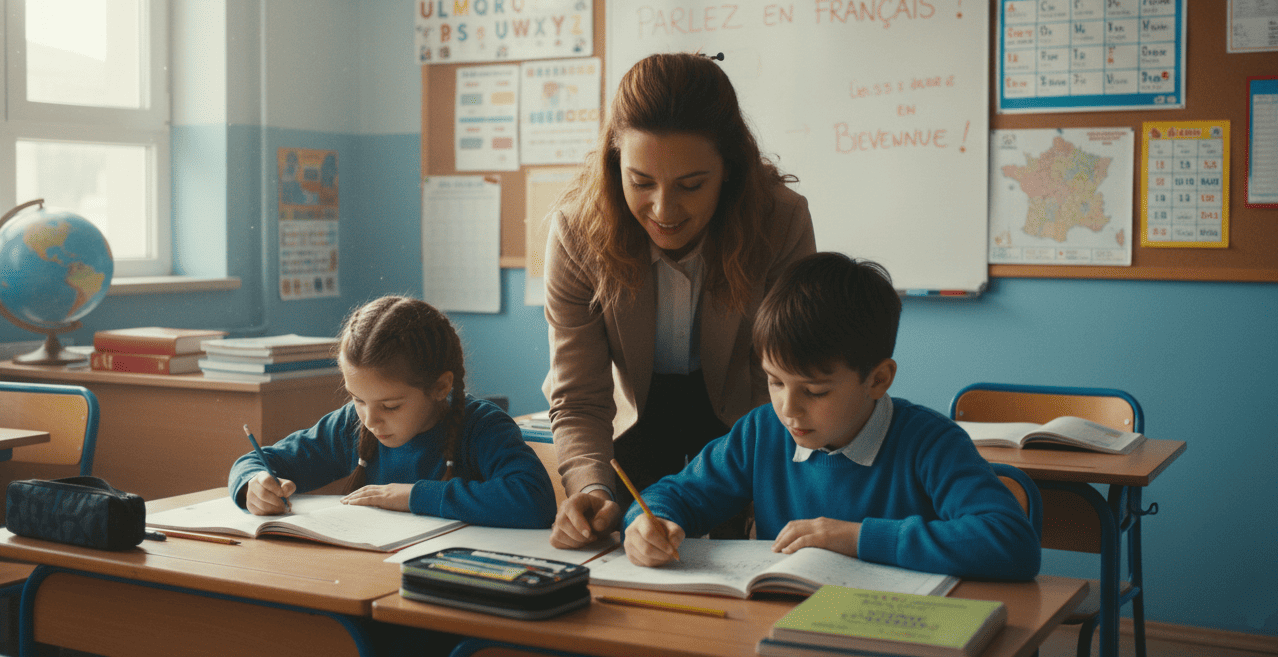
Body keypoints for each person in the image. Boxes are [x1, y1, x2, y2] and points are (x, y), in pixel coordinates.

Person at [621, 252, 1041, 581]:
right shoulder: (762, 433)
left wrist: (857, 538)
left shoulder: (929, 443)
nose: (787, 408)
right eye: (775, 381)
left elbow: (1011, 543)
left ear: (878, 380)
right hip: (786, 629)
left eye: (815, 391)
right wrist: (648, 523)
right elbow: (676, 495)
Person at [544, 52, 816, 548]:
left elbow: (778, 382)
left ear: (730, 168)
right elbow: (579, 396)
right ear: (614, 164)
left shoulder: (780, 221)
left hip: (745, 425)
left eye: (692, 185)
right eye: (640, 182)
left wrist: (764, 496)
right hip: (634, 429)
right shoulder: (577, 233)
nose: (664, 210)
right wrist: (591, 487)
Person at [229, 295, 555, 529]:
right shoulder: (351, 425)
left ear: (440, 388)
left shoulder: (481, 427)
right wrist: (252, 484)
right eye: (357, 399)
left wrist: (414, 496)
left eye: (391, 406)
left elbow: (534, 499)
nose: (370, 421)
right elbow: (257, 461)